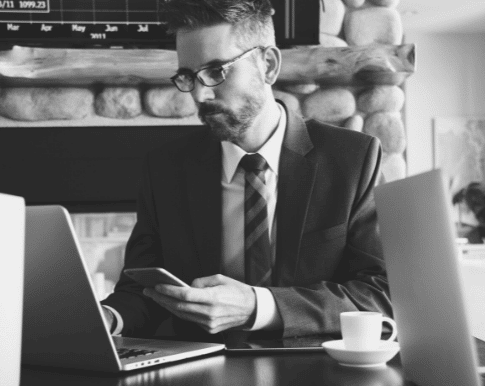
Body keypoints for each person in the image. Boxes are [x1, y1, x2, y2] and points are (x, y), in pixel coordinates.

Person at [101, 0, 392, 343]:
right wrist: (108, 317)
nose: (200, 93)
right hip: (202, 369)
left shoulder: (354, 159)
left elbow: (380, 293)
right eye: (187, 76)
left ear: (268, 65)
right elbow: (141, 291)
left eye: (216, 71)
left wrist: (260, 307)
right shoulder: (164, 169)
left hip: (315, 369)